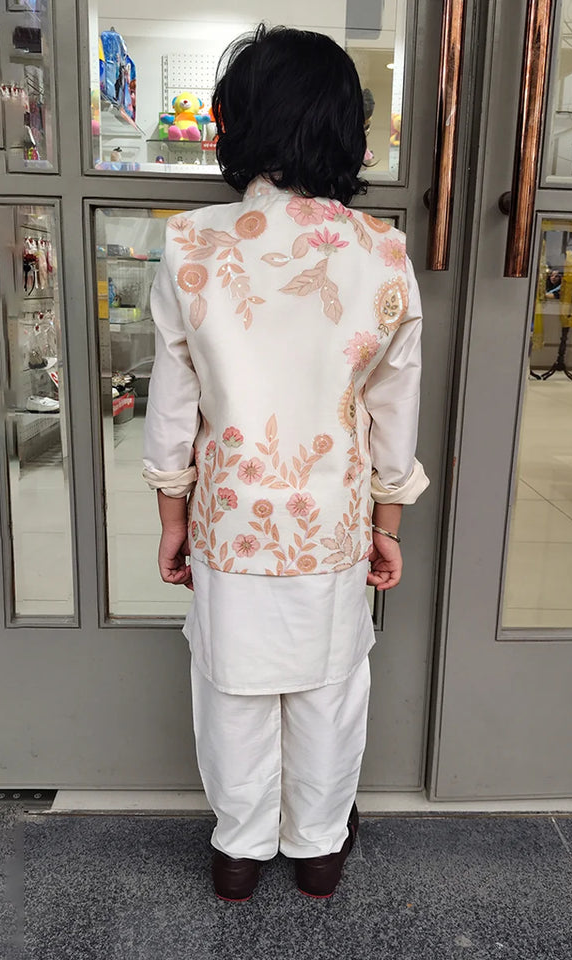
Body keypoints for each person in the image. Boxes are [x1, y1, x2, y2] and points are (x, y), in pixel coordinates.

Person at [141, 24, 429, 903]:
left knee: (230, 686)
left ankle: (237, 851)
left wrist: (172, 521)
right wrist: (388, 526)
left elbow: (171, 406)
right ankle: (316, 850)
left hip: (232, 519)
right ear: (346, 128)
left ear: (240, 123)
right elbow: (394, 409)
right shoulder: (380, 253)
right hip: (331, 521)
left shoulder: (192, 243)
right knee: (329, 686)